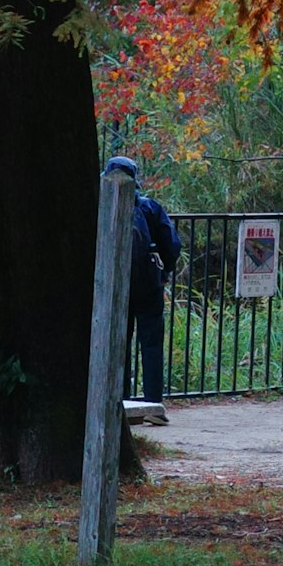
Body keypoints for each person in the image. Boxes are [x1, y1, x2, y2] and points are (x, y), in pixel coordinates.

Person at [108, 156, 182, 404]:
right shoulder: (149, 208)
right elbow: (171, 245)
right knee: (151, 345)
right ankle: (153, 403)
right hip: (149, 284)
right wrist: (165, 272)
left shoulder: (102, 207)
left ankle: (120, 402)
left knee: (119, 343)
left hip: (115, 285)